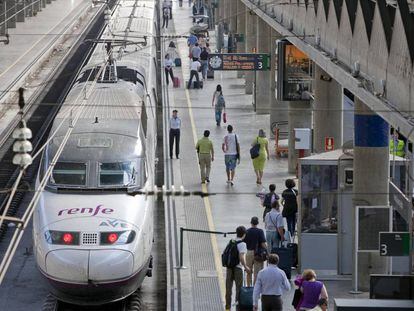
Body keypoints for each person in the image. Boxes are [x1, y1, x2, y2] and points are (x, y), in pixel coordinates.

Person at [225, 226, 250, 310]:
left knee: (228, 289)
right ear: (244, 234)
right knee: (238, 290)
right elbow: (241, 257)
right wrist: (246, 267)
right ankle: (237, 308)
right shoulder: (242, 244)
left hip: (229, 268)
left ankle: (227, 308)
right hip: (238, 269)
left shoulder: (231, 241)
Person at [244, 217, 267, 286]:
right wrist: (267, 251)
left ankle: (248, 287)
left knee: (248, 271)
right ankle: (255, 289)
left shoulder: (247, 231)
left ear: (251, 223)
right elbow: (263, 244)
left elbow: (243, 242)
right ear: (257, 223)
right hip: (258, 254)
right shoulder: (260, 231)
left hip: (249, 253)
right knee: (257, 273)